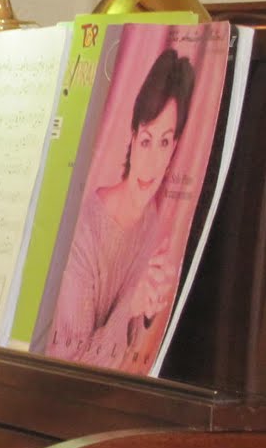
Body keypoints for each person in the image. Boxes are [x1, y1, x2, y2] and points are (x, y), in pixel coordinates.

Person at [43, 44, 196, 373]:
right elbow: (68, 372)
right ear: (132, 137)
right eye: (146, 140)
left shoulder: (157, 227)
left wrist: (151, 314)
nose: (152, 162)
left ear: (176, 148)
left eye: (165, 142)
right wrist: (132, 306)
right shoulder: (84, 229)